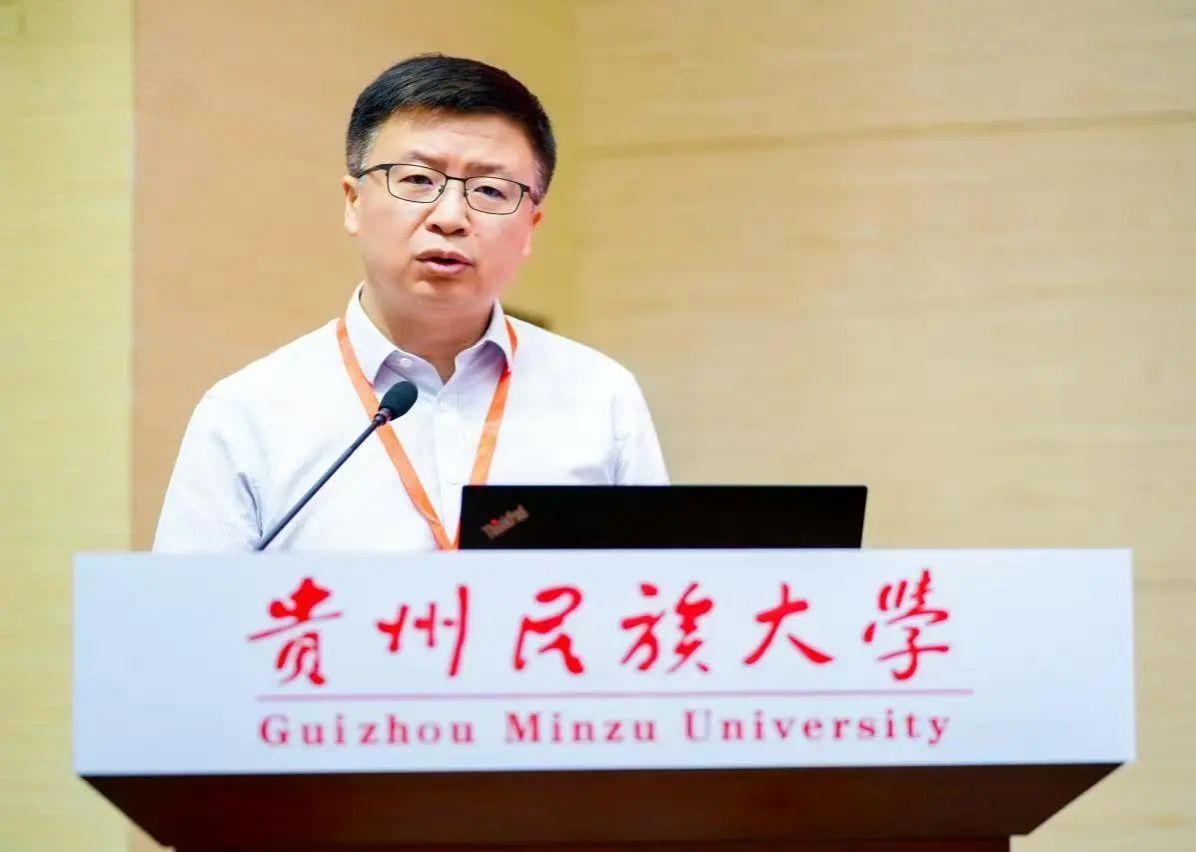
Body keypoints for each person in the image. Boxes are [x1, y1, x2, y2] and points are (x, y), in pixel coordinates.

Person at [153, 54, 668, 553]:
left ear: (531, 226)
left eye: (491, 190)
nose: (450, 217)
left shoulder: (602, 397)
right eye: (419, 180)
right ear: (354, 202)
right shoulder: (249, 413)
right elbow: (186, 608)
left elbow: (655, 592)